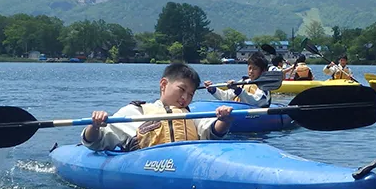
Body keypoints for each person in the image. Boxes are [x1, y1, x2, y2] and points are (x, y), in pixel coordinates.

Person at [81, 62, 233, 152]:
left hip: (186, 163)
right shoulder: (137, 112)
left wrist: (224, 120)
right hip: (147, 165)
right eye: (181, 90)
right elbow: (95, 141)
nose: (185, 98)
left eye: (191, 94)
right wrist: (94, 126)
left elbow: (212, 131)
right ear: (164, 84)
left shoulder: (191, 117)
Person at [204, 51, 271, 107]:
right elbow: (226, 97)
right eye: (250, 68)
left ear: (263, 71)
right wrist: (213, 89)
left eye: (255, 69)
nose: (251, 71)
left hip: (253, 116)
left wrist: (238, 90)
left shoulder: (264, 86)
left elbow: (255, 102)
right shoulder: (243, 82)